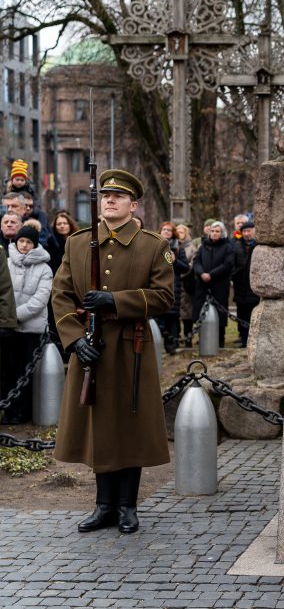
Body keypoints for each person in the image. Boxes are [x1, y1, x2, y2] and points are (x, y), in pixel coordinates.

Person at [52, 169, 174, 534]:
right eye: (105, 195)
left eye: (118, 197)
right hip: (91, 349)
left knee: (129, 425)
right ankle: (103, 504)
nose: (109, 200)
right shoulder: (77, 243)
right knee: (98, 426)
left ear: (133, 205)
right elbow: (60, 296)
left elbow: (164, 297)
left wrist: (116, 301)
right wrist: (75, 340)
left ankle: (127, 506)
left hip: (129, 350)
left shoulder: (153, 246)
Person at [2, 225, 52, 424]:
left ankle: (25, 412)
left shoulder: (44, 269)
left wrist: (12, 315)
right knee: (8, 371)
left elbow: (40, 300)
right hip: (9, 329)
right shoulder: (6, 262)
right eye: (21, 241)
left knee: (26, 372)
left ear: (34, 245)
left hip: (31, 329)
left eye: (28, 242)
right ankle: (9, 411)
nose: (24, 245)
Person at [193, 220, 235, 347]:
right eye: (212, 231)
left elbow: (227, 264)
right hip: (203, 285)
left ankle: (220, 340)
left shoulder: (227, 246)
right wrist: (202, 273)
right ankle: (203, 337)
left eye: (217, 231)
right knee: (201, 311)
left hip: (219, 285)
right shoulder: (203, 246)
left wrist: (211, 274)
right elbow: (196, 262)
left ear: (222, 233)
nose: (215, 233)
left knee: (219, 312)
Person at [155, 221, 189, 354]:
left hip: (174, 286)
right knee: (158, 316)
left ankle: (171, 347)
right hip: (157, 284)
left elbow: (185, 268)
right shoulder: (154, 245)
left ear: (173, 233)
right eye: (164, 230)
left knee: (172, 318)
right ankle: (157, 346)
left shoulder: (179, 248)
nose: (166, 232)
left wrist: (175, 261)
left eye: (169, 230)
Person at [231, 220, 259, 348]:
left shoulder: (258, 246)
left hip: (253, 286)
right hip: (240, 286)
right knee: (242, 313)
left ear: (254, 230)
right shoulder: (236, 246)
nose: (247, 233)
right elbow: (232, 264)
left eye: (249, 231)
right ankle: (243, 338)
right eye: (244, 231)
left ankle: (253, 338)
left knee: (253, 313)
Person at [175, 224, 197, 347]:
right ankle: (176, 338)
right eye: (177, 231)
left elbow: (191, 265)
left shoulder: (191, 247)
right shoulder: (172, 245)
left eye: (181, 232)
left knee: (187, 312)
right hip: (174, 284)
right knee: (175, 312)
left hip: (186, 283)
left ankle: (188, 337)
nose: (179, 234)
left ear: (186, 233)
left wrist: (180, 275)